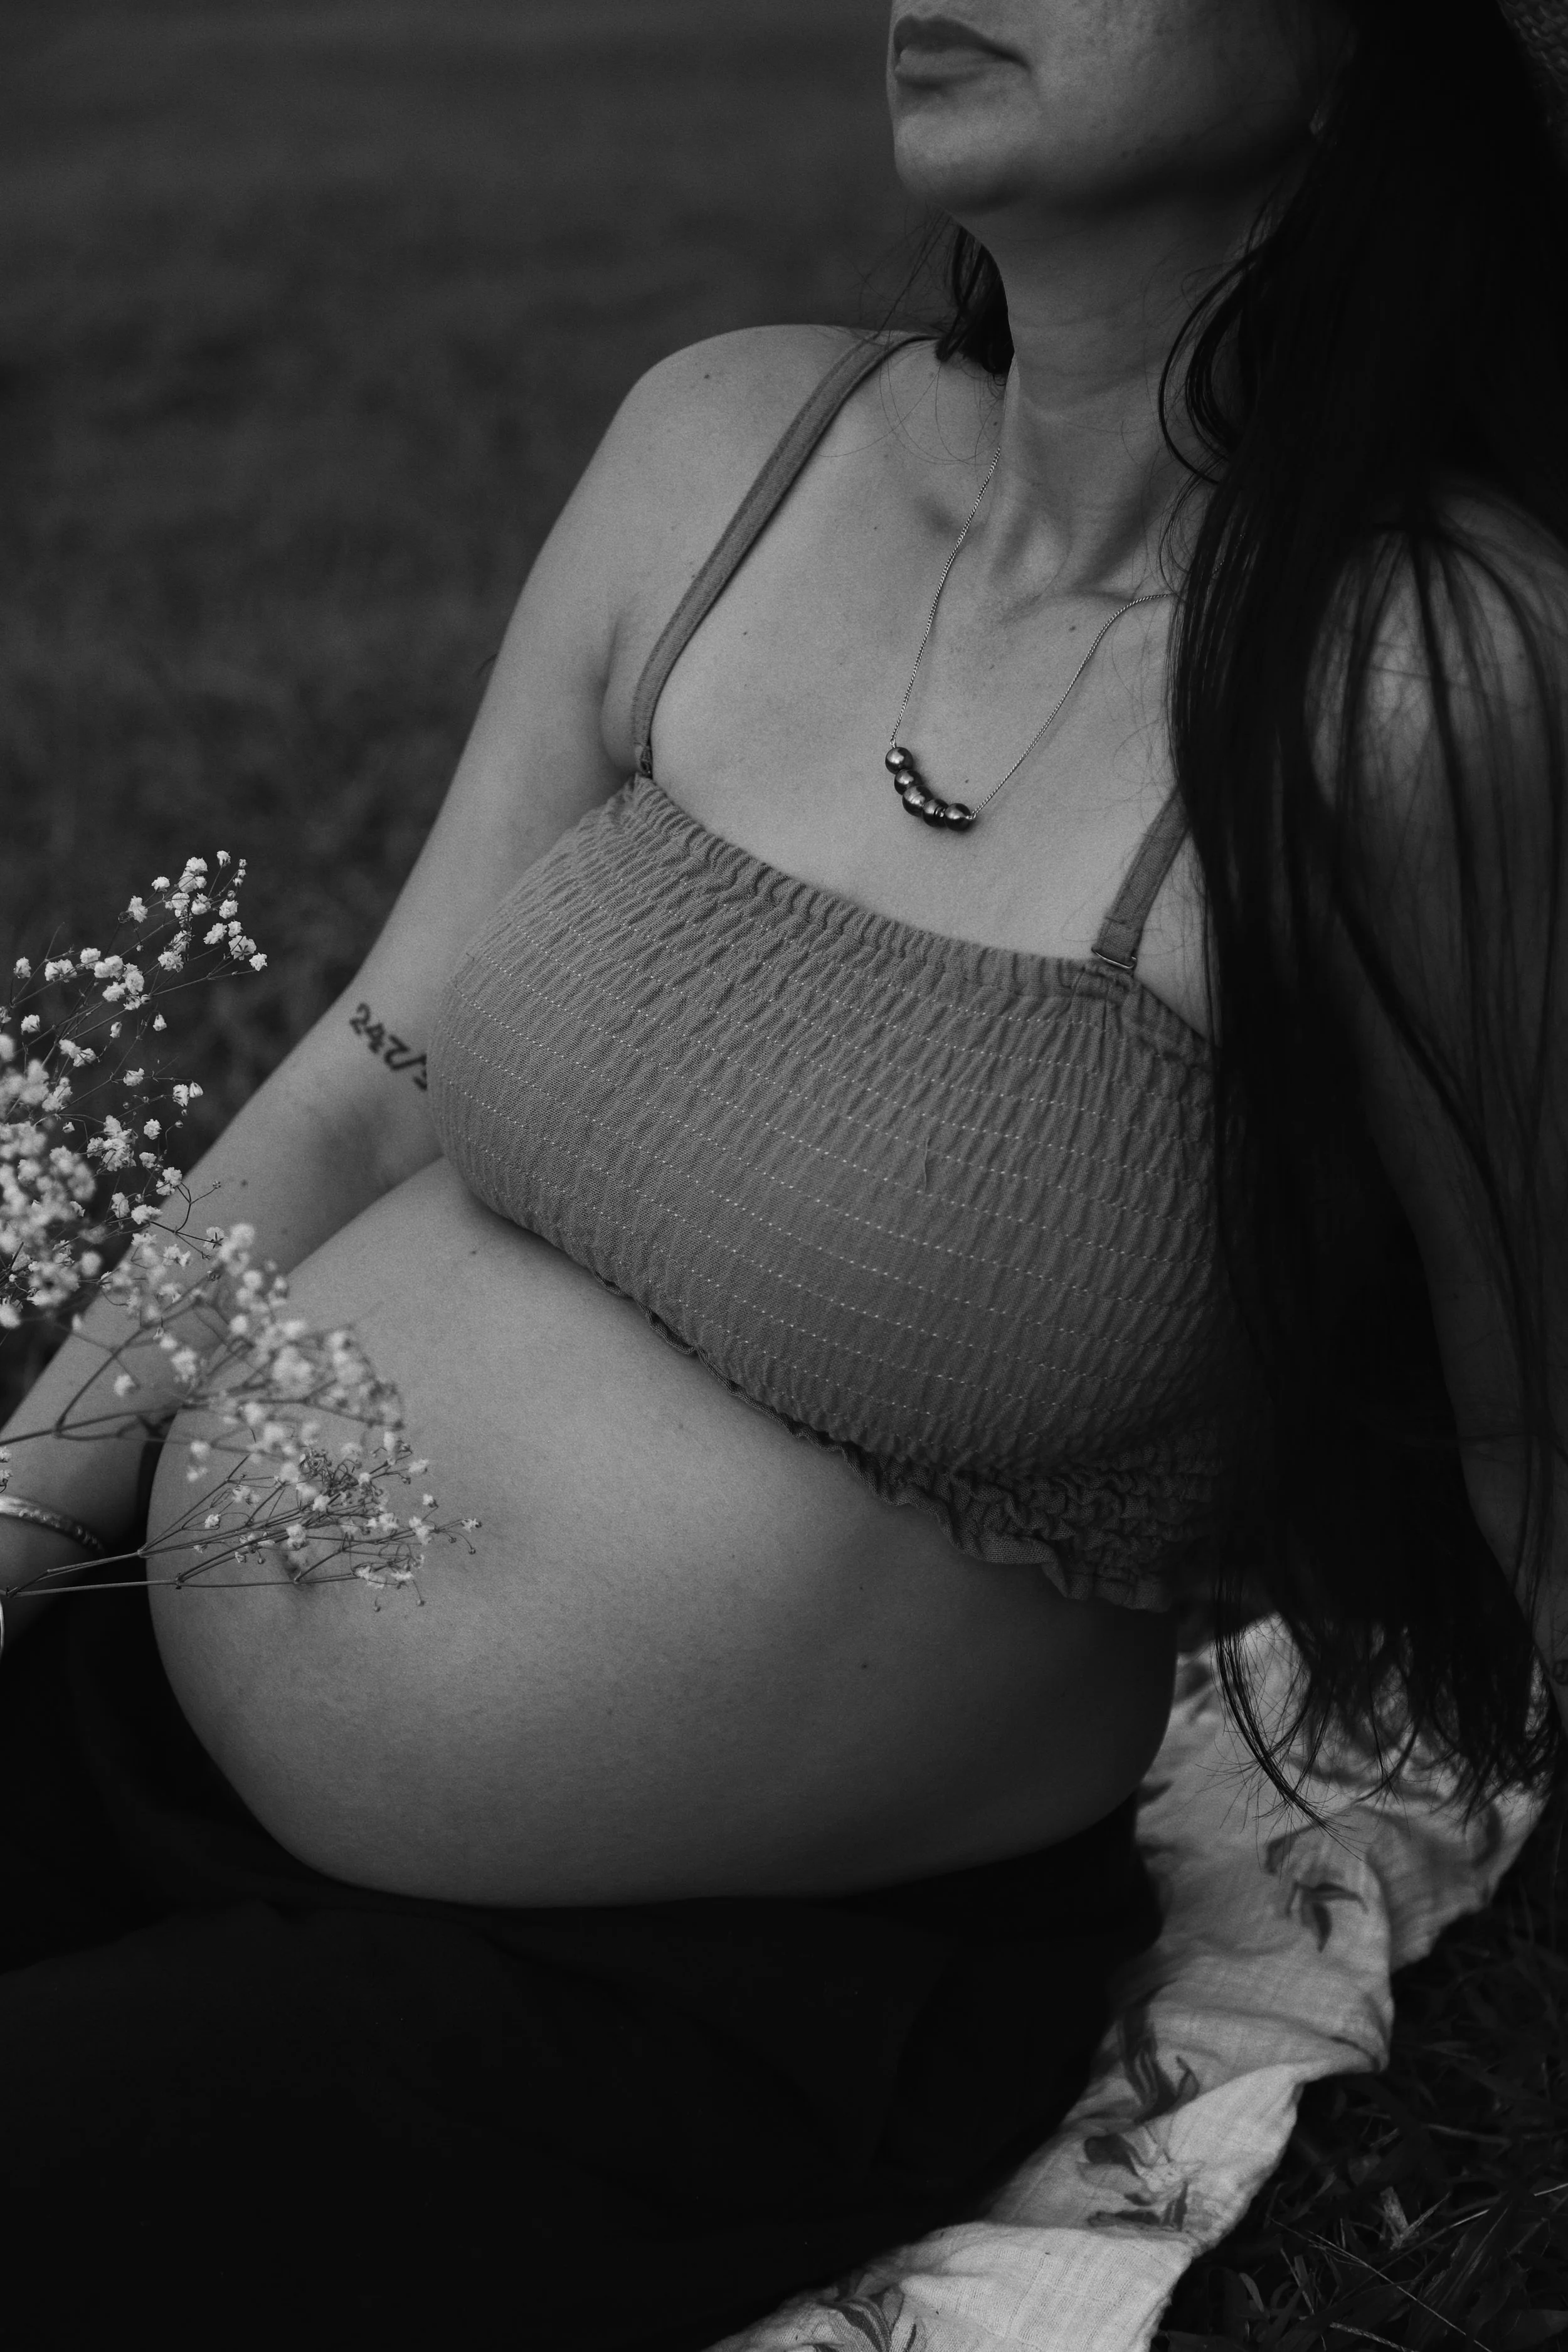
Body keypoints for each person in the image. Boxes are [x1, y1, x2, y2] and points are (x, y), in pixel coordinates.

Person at [2, 1, 1565, 2343]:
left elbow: (1533, 1406)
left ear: (1356, 51)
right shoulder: (728, 439)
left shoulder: (1420, 682)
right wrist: (26, 1504)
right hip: (146, 1681)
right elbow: (376, 1060)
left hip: (683, 1992)